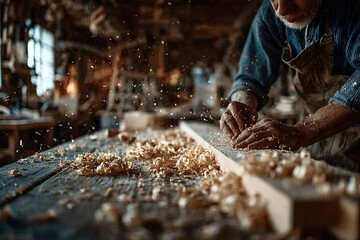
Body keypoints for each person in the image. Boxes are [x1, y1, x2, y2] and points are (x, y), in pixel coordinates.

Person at [220, 0, 360, 172]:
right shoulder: (269, 14)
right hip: (314, 145)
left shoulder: (352, 9)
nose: (283, 9)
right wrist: (242, 102)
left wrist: (302, 132)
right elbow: (250, 77)